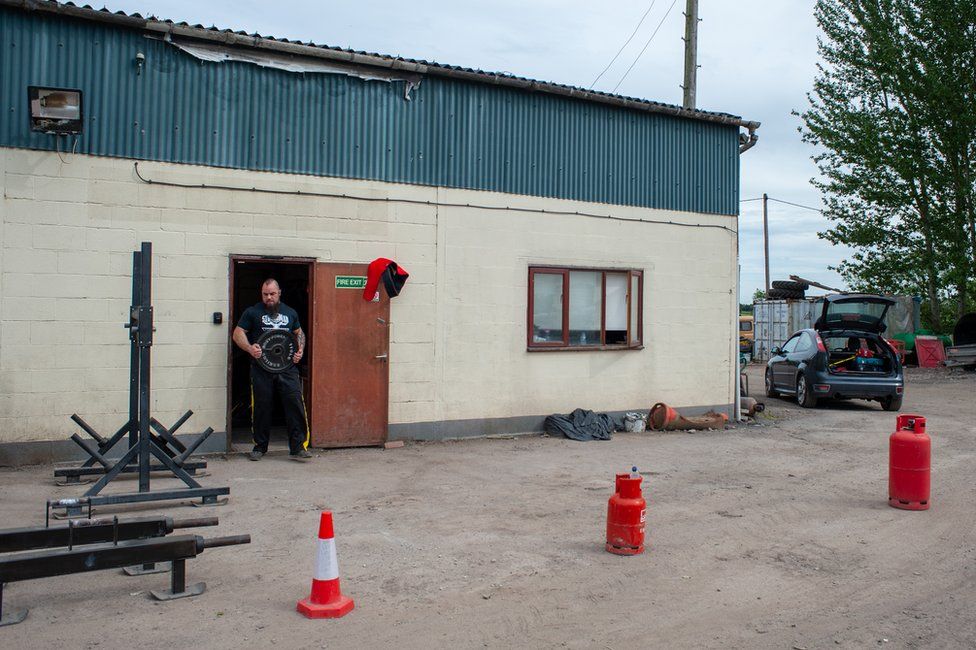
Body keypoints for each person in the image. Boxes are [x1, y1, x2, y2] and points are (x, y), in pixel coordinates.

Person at [232, 278, 312, 461]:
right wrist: (250, 348)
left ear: (279, 293)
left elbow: (299, 333)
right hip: (262, 368)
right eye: (265, 294)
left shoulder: (290, 313)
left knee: (295, 405)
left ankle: (298, 447)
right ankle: (260, 447)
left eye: (272, 294)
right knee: (262, 407)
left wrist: (300, 350)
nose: (269, 297)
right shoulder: (252, 312)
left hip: (287, 368)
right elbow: (238, 333)